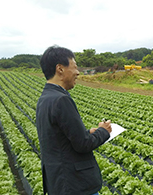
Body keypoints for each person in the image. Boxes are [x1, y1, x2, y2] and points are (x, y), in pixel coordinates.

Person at [36, 45, 112, 195]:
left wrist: (88, 132)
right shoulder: (61, 99)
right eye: (75, 66)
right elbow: (83, 144)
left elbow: (58, 138)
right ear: (60, 69)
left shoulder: (45, 98)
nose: (77, 72)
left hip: (58, 182)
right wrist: (104, 131)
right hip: (74, 185)